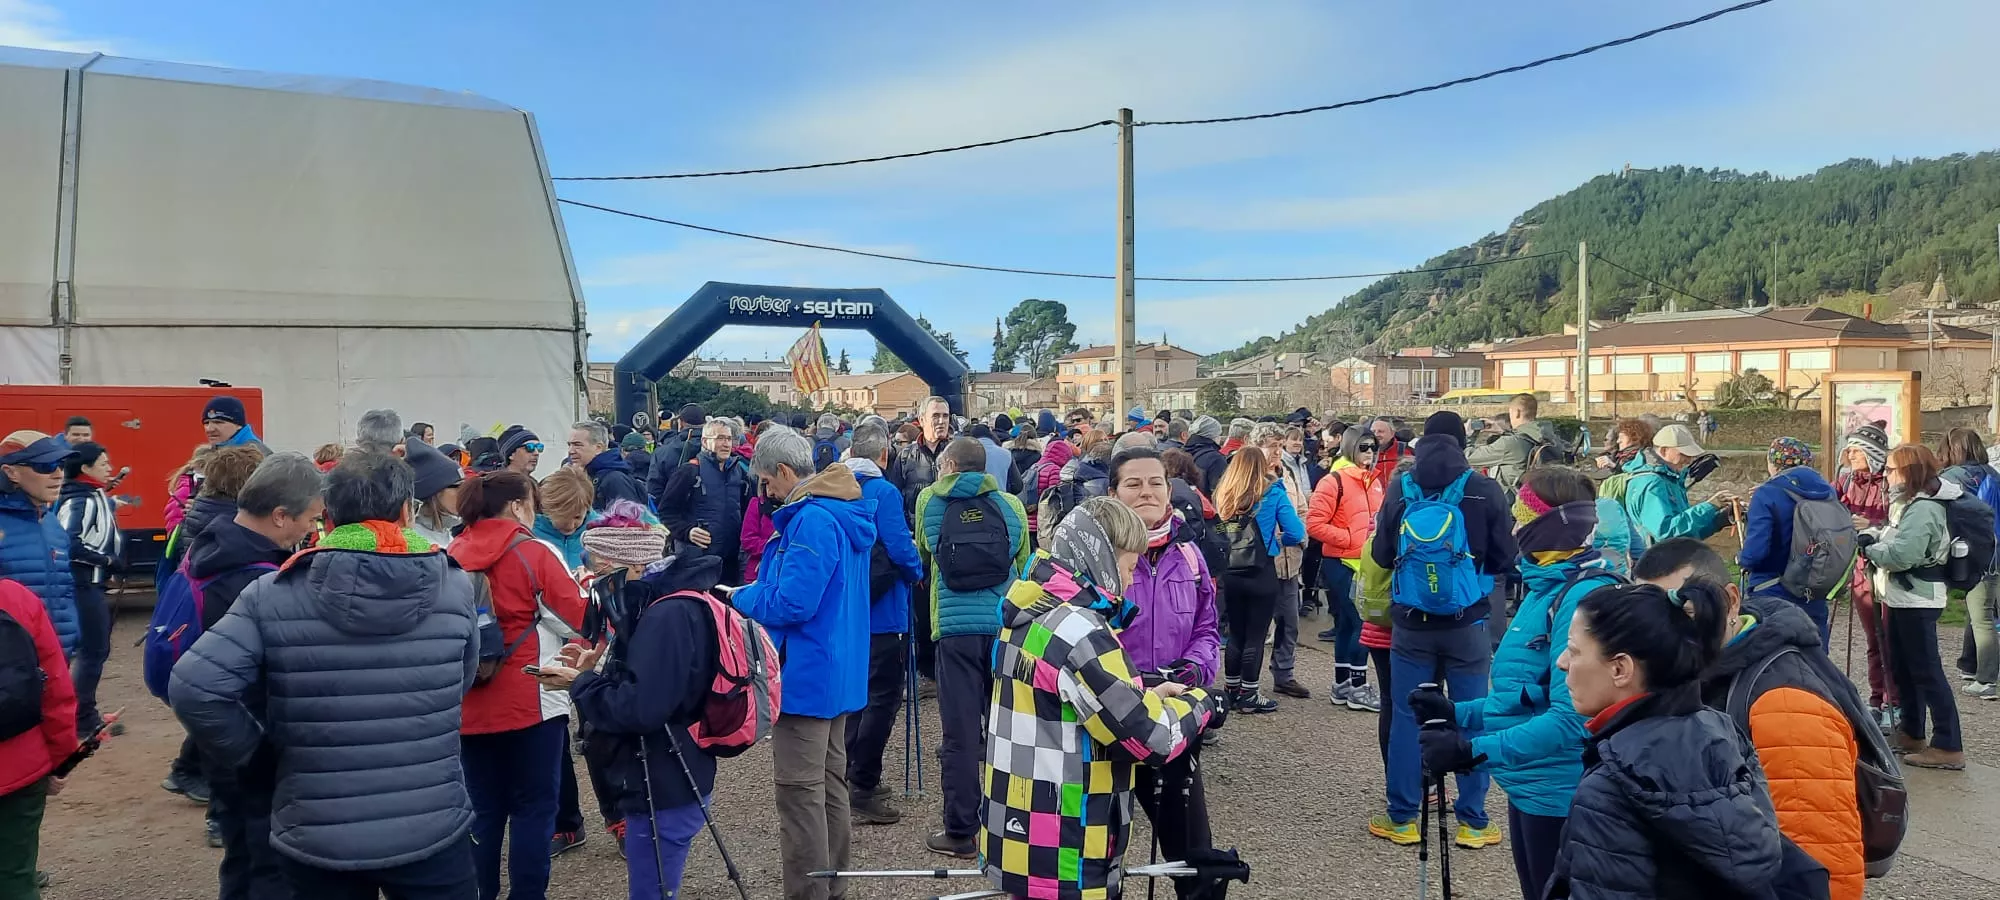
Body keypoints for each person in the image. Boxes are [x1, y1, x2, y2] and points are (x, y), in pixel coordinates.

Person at [170, 451, 482, 898]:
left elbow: (194, 687)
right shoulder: (455, 587)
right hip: (430, 820)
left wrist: (255, 756)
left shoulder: (272, 593)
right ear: (405, 512)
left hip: (315, 829)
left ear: (328, 518)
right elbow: (462, 679)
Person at [980, 497, 1225, 900]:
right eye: (1128, 567)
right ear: (1103, 560)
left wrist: (1142, 692)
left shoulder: (1033, 609)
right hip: (1066, 843)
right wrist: (1203, 705)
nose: (1129, 582)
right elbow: (1151, 738)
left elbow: (1072, 699)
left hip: (1018, 824)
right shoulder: (1082, 630)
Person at [1414, 468, 1622, 899]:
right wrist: (1458, 711)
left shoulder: (1580, 597)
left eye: (1522, 516)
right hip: (1530, 782)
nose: (1512, 527)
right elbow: (1528, 695)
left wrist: (1472, 750)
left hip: (1560, 790)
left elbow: (1572, 719)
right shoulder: (1547, 585)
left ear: (1548, 526)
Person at [1640, 537, 1866, 900]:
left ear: (1731, 599)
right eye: (1649, 616)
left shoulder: (1785, 705)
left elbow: (1822, 864)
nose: (1661, 633)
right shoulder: (1699, 672)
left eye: (1684, 609)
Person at [1539, 579, 1794, 899]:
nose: (1562, 662)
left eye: (1574, 650)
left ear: (1620, 668)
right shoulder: (1722, 733)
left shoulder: (1609, 788)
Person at [726, 426, 875, 900]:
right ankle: (833, 886)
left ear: (786, 472)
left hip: (806, 674)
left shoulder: (812, 520)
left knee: (799, 793)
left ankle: (809, 894)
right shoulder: (841, 512)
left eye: (768, 483)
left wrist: (741, 597)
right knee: (829, 788)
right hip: (837, 671)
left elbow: (794, 602)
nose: (766, 495)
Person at [540, 534, 720, 900]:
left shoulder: (663, 615)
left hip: (663, 783)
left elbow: (639, 710)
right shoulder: (665, 603)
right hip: (677, 770)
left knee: (650, 890)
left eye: (602, 568)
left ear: (636, 566)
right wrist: (599, 672)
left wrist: (583, 684)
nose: (594, 581)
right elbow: (654, 689)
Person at [1369, 411, 1515, 849]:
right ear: (1461, 443)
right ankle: (1473, 821)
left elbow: (1380, 554)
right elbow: (1506, 558)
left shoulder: (1401, 485)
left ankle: (1403, 817)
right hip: (1467, 622)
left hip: (1411, 624)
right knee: (1473, 715)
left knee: (1407, 717)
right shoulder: (1484, 488)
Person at [186, 452, 326, 900]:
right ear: (281, 515)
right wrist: (257, 752)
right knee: (272, 870)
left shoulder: (210, 545)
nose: (312, 530)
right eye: (310, 519)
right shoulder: (257, 580)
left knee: (241, 856)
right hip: (255, 738)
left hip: (225, 742)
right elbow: (209, 684)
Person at [448, 471, 589, 895]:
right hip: (533, 696)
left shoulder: (451, 552)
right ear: (515, 505)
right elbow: (577, 618)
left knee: (483, 810)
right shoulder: (533, 551)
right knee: (533, 810)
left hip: (468, 700)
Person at [1108, 447, 1225, 898]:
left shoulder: (1190, 554)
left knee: (1196, 859)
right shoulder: (1097, 556)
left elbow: (1207, 626)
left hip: (1173, 720)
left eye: (1155, 482)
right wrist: (1138, 684)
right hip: (1111, 719)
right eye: (1133, 484)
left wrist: (1194, 671)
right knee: (1097, 858)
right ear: (1114, 492)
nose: (1147, 492)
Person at [912, 438, 1030, 858]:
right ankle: (1016, 824)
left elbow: (926, 553)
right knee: (1011, 730)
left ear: (948, 465)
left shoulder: (930, 500)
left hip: (953, 632)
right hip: (1003, 628)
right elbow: (1024, 561)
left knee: (960, 734)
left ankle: (961, 830)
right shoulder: (1011, 506)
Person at [838, 424, 925, 827]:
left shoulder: (831, 487)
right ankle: (862, 784)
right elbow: (900, 547)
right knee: (882, 700)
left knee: (853, 697)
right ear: (884, 455)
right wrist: (917, 570)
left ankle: (843, 777)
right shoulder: (883, 492)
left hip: (846, 611)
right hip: (885, 614)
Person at [1858, 444, 1965, 770]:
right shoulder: (1911, 503)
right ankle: (1911, 732)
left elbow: (1904, 555)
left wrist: (1871, 549)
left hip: (1918, 598)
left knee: (1926, 671)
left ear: (1909, 471)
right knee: (1904, 668)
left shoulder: (1924, 508)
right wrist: (1875, 538)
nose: (1886, 475)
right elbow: (1897, 539)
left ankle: (1948, 744)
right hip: (1905, 597)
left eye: (1891, 469)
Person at [0, 577, 78, 900]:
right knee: (16, 878)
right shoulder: (17, 599)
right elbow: (56, 692)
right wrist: (60, 763)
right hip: (20, 769)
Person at [1213, 446, 1305, 713]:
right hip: (1260, 570)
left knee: (1236, 634)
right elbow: (1296, 531)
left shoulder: (1223, 494)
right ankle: (1249, 694)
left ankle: (1230, 690)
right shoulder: (1273, 493)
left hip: (1231, 571)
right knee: (1255, 634)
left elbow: (1218, 529)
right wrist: (1278, 542)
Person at [1737, 437, 1841, 646]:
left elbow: (1756, 552)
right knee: (1815, 654)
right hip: (1814, 586)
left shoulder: (1766, 494)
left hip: (1771, 588)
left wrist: (1742, 559)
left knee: (1775, 656)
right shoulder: (1827, 492)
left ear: (1772, 463)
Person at [1308, 427, 1383, 711]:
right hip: (1341, 562)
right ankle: (1357, 686)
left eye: (1374, 447)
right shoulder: (1333, 481)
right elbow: (1315, 524)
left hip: (1366, 563)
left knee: (1349, 624)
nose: (1370, 452)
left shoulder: (1373, 481)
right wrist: (1352, 540)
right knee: (1361, 624)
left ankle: (1343, 684)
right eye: (1364, 447)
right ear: (1351, 447)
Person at [56, 442, 122, 739]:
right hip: (81, 583)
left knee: (93, 650)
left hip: (91, 582)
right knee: (92, 650)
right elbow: (69, 545)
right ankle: (82, 719)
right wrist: (107, 560)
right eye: (103, 463)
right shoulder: (79, 499)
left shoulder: (93, 495)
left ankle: (83, 713)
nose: (109, 467)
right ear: (85, 468)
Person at [1834, 424, 1897, 728]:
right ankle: (1876, 699)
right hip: (1859, 569)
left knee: (1890, 638)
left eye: (1856, 449)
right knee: (1873, 638)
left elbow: (1901, 518)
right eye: (1849, 449)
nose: (1850, 454)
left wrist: (1872, 522)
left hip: (1888, 569)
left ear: (1871, 451)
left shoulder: (1891, 479)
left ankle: (1894, 702)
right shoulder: (1846, 479)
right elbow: (1828, 507)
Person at [0, 433, 81, 659]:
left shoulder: (51, 522)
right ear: (11, 472)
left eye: (62, 465)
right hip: (11, 667)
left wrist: (72, 634)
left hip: (56, 660)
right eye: (46, 466)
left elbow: (65, 589)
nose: (59, 474)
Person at [1939, 427, 2000, 697]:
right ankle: (1969, 663)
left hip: (1971, 552)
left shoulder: (1951, 478)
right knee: (1979, 606)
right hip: (1994, 550)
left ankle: (1987, 680)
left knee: (1982, 616)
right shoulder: (1993, 475)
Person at [1253, 423, 1313, 699]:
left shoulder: (1287, 473)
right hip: (1260, 562)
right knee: (1256, 624)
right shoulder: (1249, 475)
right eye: (1272, 446)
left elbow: (1301, 508)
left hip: (1290, 562)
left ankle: (1284, 673)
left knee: (1289, 621)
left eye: (1279, 446)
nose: (1277, 451)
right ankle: (1245, 681)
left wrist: (1299, 536)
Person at [656, 420, 752, 583]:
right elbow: (666, 512)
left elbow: (746, 510)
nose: (726, 444)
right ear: (705, 441)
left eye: (729, 439)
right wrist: (687, 532)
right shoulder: (689, 471)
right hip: (698, 560)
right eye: (720, 438)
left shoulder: (738, 471)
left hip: (731, 560)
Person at [1620, 423, 1735, 545]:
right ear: (1664, 450)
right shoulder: (1652, 482)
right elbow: (1665, 533)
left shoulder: (1671, 479)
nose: (1689, 460)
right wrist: (1709, 506)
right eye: (1683, 454)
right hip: (1656, 560)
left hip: (1670, 557)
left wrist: (1721, 519)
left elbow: (1685, 533)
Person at [1465, 393, 1569, 492]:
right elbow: (1522, 442)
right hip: (1541, 499)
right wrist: (1503, 431)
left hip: (1512, 505)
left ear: (1517, 412)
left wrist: (1469, 436)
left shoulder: (1509, 443)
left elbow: (1467, 457)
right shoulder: (1550, 437)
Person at [895, 396, 955, 518]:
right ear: (922, 420)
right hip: (916, 530)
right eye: (935, 416)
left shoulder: (958, 453)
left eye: (945, 416)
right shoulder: (905, 457)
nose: (941, 421)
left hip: (950, 529)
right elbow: (896, 499)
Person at [569, 421, 647, 512]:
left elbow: (628, 521)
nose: (571, 450)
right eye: (569, 445)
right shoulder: (581, 475)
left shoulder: (615, 480)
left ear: (598, 448)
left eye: (577, 445)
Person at [532, 466, 597, 571]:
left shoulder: (600, 532)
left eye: (577, 517)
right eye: (564, 518)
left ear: (587, 508)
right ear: (547, 509)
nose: (571, 525)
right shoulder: (531, 534)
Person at [407, 437, 467, 548]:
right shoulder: (417, 543)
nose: (465, 493)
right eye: (458, 486)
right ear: (435, 492)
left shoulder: (445, 533)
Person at [202, 396, 269, 454]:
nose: (209, 429)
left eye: (218, 422)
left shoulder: (258, 455)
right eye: (206, 423)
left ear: (238, 425)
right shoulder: (208, 454)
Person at [965, 422, 1018, 492]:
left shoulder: (965, 454)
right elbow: (1017, 486)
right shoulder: (1006, 454)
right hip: (999, 499)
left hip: (971, 500)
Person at [1184, 416, 1230, 493]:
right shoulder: (1216, 459)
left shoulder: (1181, 453)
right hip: (1207, 503)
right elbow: (1220, 492)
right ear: (1214, 436)